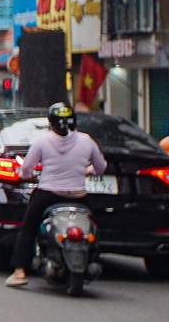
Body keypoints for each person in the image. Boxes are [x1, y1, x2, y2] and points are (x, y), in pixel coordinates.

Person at [6, 102, 107, 288]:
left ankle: (19, 271)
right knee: (94, 227)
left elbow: (26, 170)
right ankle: (92, 260)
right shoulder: (87, 141)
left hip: (48, 195)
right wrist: (89, 171)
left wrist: (24, 176)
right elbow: (101, 167)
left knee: (28, 229)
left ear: (50, 122)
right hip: (79, 196)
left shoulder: (42, 141)